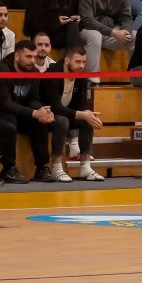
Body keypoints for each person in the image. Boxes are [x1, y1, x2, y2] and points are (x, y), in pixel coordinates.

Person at [0, 40, 58, 183]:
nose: (33, 61)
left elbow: (34, 99)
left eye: (34, 57)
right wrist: (34, 113)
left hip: (21, 113)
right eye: (28, 57)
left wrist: (42, 112)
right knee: (10, 119)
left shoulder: (34, 72)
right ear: (17, 56)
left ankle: (42, 167)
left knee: (40, 122)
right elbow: (5, 104)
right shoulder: (1, 70)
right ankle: (8, 168)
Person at [40, 46, 105, 182]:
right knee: (62, 120)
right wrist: (83, 114)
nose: (81, 66)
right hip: (46, 117)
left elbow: (83, 103)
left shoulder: (80, 75)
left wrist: (89, 114)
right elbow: (55, 107)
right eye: (78, 62)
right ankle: (57, 167)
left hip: (66, 114)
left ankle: (85, 167)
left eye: (84, 62)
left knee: (87, 119)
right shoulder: (52, 73)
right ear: (67, 60)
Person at [79, 0, 134, 74]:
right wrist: (113, 32)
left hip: (111, 33)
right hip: (88, 31)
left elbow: (126, 17)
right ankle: (92, 79)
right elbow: (87, 20)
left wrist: (126, 31)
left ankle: (138, 77)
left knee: (136, 36)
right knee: (95, 36)